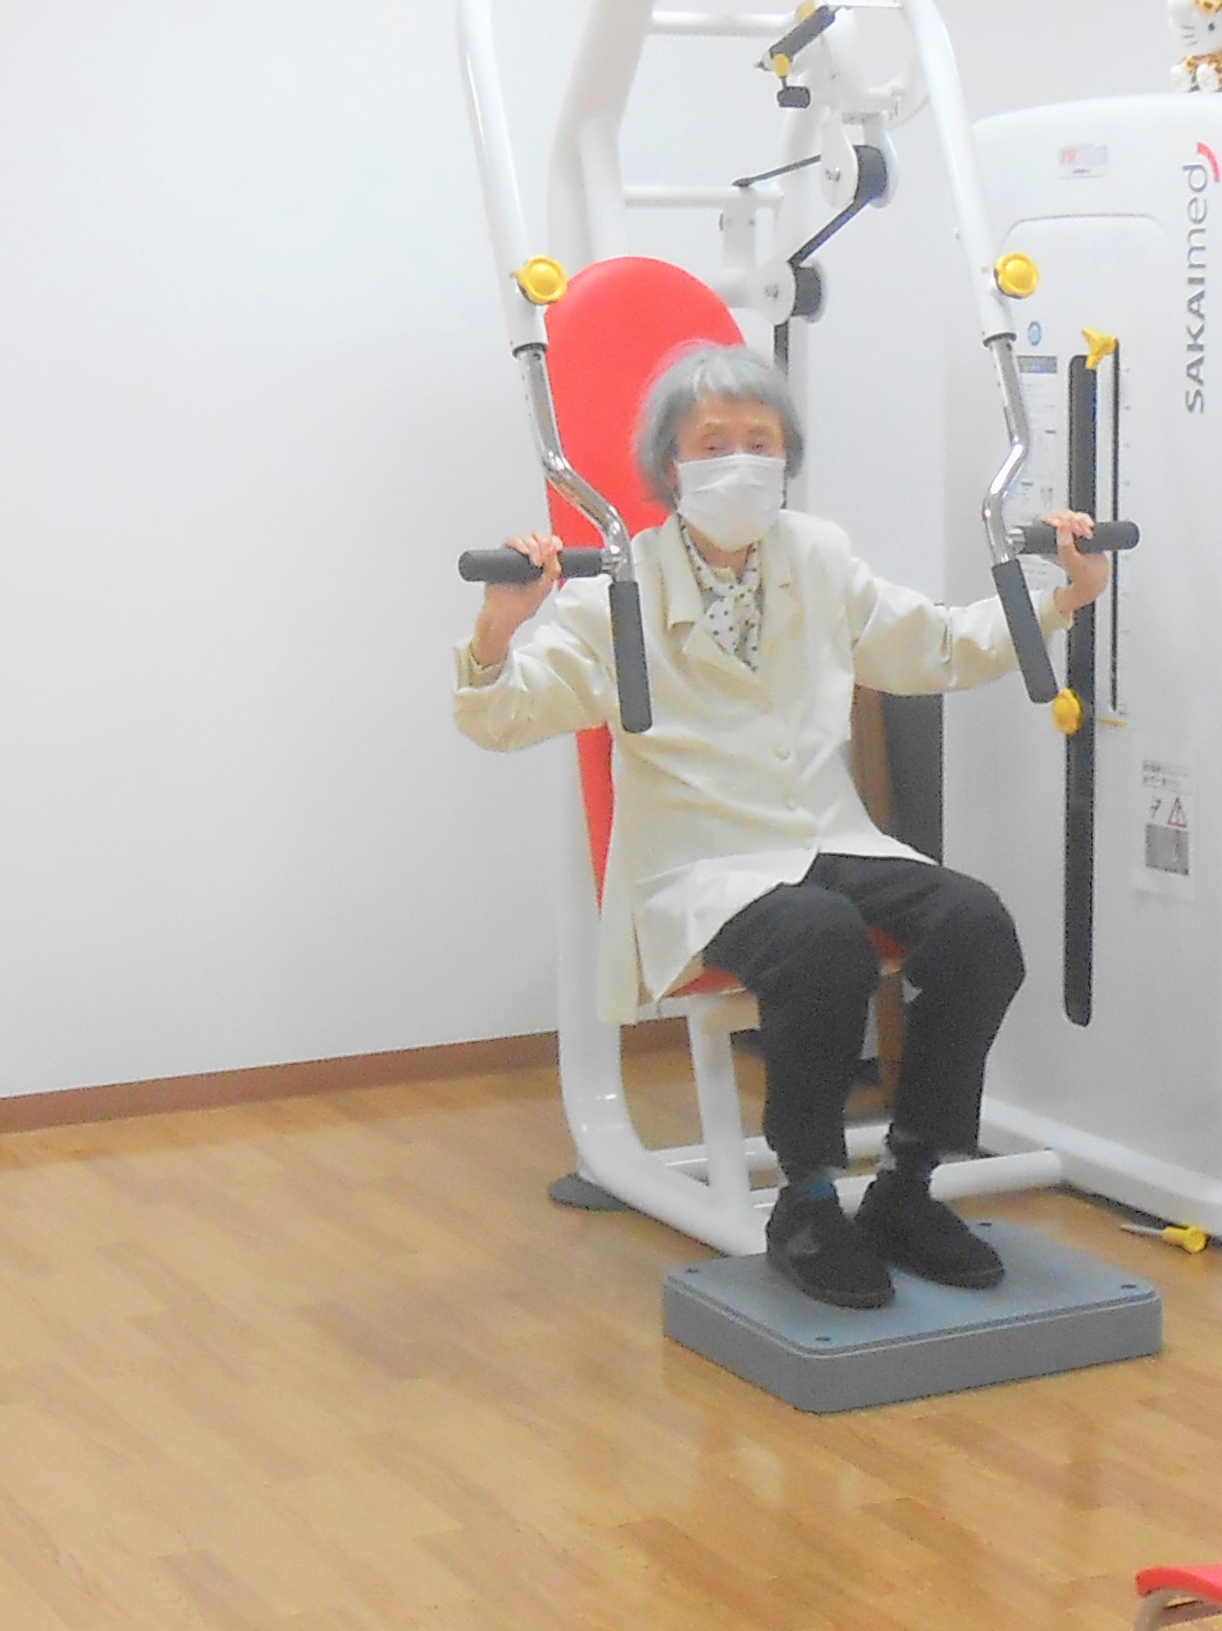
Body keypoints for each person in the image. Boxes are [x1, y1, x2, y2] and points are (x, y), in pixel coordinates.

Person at [456, 343, 1107, 1311]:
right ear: (670, 464)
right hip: (702, 865)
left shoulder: (819, 556)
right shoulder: (617, 590)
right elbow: (506, 718)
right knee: (820, 940)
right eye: (713, 442)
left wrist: (1065, 597)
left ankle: (907, 1184)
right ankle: (804, 1202)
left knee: (976, 926)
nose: (740, 461)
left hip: (826, 836)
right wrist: (497, 631)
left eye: (760, 441)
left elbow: (930, 645)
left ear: (787, 456)